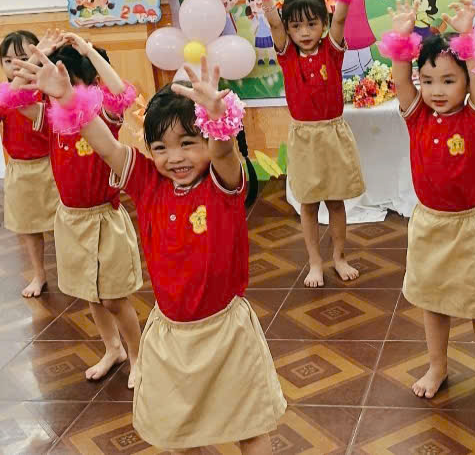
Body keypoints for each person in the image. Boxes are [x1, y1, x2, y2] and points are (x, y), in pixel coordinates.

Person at [15, 53, 285, 455]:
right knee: (176, 432)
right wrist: (68, 99)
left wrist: (218, 123)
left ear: (207, 138)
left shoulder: (221, 183)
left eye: (187, 143)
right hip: (170, 334)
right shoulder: (147, 182)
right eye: (161, 147)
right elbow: (107, 146)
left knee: (250, 425)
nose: (174, 158)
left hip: (226, 333)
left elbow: (225, 154)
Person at [379, 0, 475, 401]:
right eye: (429, 80)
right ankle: (437, 366)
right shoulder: (417, 116)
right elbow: (401, 81)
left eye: (449, 80)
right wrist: (401, 40)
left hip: (470, 227)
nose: (437, 90)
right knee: (433, 303)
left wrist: (470, 36)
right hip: (430, 225)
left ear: (467, 82)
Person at [9, 34, 142, 388]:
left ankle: (138, 355)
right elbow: (11, 99)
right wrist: (40, 57)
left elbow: (123, 94)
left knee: (113, 298)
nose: (63, 92)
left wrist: (89, 52)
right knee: (90, 292)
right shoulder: (53, 119)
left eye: (71, 83)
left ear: (91, 84)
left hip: (104, 219)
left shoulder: (103, 117)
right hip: (70, 220)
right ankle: (113, 349)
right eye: (57, 86)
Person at [256, 0, 374, 287]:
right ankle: (315, 262)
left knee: (335, 201)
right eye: (296, 26)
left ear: (323, 23)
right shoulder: (287, 54)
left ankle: (339, 256)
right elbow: (273, 24)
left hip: (333, 134)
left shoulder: (331, 51)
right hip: (304, 138)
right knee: (308, 204)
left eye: (312, 24)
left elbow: (342, 17)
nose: (304, 32)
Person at [0, 29, 61, 297]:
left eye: (24, 58)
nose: (16, 65)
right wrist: (33, 60)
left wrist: (38, 61)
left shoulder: (48, 90)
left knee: (63, 226)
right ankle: (39, 274)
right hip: (20, 170)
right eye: (8, 60)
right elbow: (8, 100)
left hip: (53, 166)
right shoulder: (5, 93)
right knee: (28, 227)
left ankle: (71, 273)